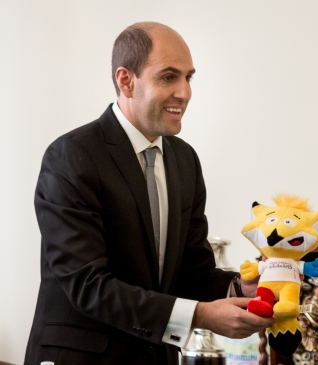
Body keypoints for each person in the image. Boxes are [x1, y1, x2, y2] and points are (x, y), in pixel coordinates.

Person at [24, 22, 274, 365]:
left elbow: (192, 272)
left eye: (189, 77)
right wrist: (199, 316)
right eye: (169, 77)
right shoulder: (71, 156)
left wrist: (237, 288)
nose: (184, 92)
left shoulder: (184, 161)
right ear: (126, 80)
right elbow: (89, 286)